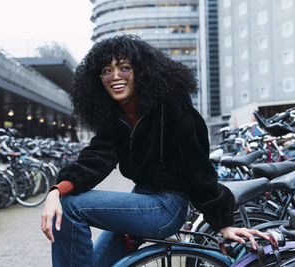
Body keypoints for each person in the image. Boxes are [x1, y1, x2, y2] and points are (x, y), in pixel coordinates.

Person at [41, 35, 268, 267]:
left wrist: (222, 222)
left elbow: (196, 165)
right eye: (107, 70)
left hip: (166, 206)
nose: (116, 76)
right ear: (98, 79)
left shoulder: (171, 106)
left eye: (124, 68)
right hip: (141, 198)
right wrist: (57, 191)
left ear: (140, 71)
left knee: (71, 208)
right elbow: (96, 158)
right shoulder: (114, 116)